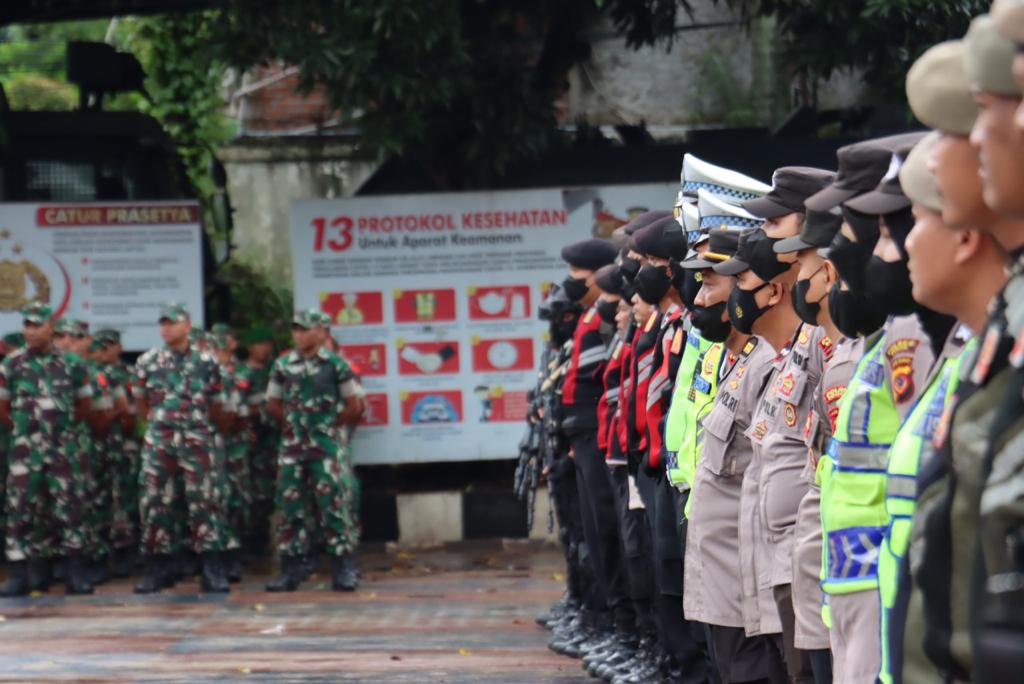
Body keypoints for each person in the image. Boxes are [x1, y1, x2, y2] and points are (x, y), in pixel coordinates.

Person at [682, 228, 788, 684]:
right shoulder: (737, 358)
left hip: (747, 585)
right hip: (720, 575)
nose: (700, 299)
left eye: (714, 285)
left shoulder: (764, 361)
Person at [133, 302, 232, 594]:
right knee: (154, 503)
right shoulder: (147, 361)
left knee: (204, 503)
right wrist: (157, 424)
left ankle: (212, 569)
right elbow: (140, 402)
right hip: (160, 442)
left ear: (187, 326)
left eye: (173, 322)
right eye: (163, 323)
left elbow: (218, 404)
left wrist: (201, 429)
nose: (167, 328)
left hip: (197, 442)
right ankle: (157, 569)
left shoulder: (207, 361)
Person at [0, 303, 94, 596]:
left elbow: (84, 405)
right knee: (21, 511)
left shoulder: (72, 364)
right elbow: (2, 407)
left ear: (50, 327)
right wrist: (23, 432)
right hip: (25, 453)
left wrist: (60, 431)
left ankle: (75, 573)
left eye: (37, 325)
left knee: (69, 509)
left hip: (62, 451)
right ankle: (19, 574)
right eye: (27, 325)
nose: (31, 331)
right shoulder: (12, 364)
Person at [264, 308, 362, 592]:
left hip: (326, 447)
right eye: (295, 329)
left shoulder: (336, 366)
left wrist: (327, 426)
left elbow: (353, 405)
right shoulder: (282, 366)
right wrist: (296, 426)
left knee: (333, 504)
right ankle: (291, 569)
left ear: (320, 333)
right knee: (290, 506)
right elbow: (273, 404)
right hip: (293, 448)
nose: (299, 334)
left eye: (305, 329)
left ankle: (343, 568)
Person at [235, 325, 280, 554]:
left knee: (272, 492)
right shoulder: (242, 375)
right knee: (250, 493)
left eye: (268, 345)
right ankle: (251, 539)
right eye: (260, 345)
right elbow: (236, 408)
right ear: (250, 347)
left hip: (275, 441)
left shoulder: (276, 371)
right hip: (251, 443)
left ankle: (262, 540)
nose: (265, 350)